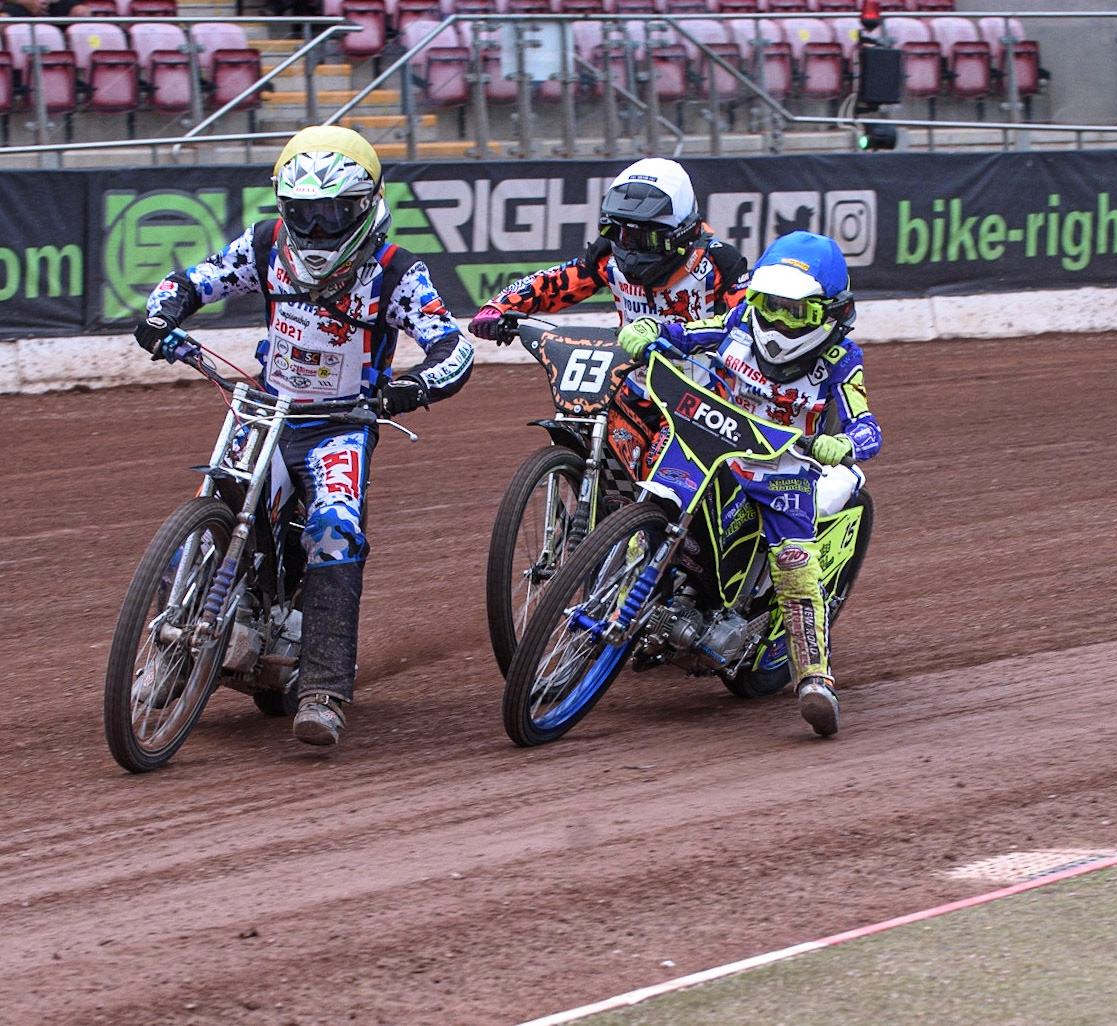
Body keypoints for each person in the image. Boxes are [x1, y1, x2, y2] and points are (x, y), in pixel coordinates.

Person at [134, 125, 475, 746]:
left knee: (333, 529)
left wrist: (408, 388)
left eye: (332, 214)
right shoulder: (266, 244)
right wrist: (161, 314)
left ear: (365, 206)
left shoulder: (395, 271)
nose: (316, 229)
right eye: (303, 214)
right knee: (212, 509)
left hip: (340, 427)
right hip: (265, 412)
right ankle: (168, 654)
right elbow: (196, 279)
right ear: (283, 208)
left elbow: (453, 348)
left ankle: (323, 690)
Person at [617, 231, 881, 736]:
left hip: (782, 471)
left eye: (795, 313)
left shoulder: (841, 360)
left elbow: (867, 425)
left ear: (831, 313)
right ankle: (619, 597)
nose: (777, 321)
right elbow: (686, 332)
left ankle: (815, 679)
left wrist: (844, 443)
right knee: (651, 502)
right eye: (769, 304)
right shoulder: (738, 320)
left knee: (795, 565)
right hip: (708, 440)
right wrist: (650, 329)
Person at [466, 157, 747, 342]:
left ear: (680, 233)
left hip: (704, 391)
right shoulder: (608, 257)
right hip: (630, 381)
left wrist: (674, 335)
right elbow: (554, 283)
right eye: (620, 233)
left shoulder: (719, 262)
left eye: (644, 238)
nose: (629, 246)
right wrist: (499, 306)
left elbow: (749, 320)